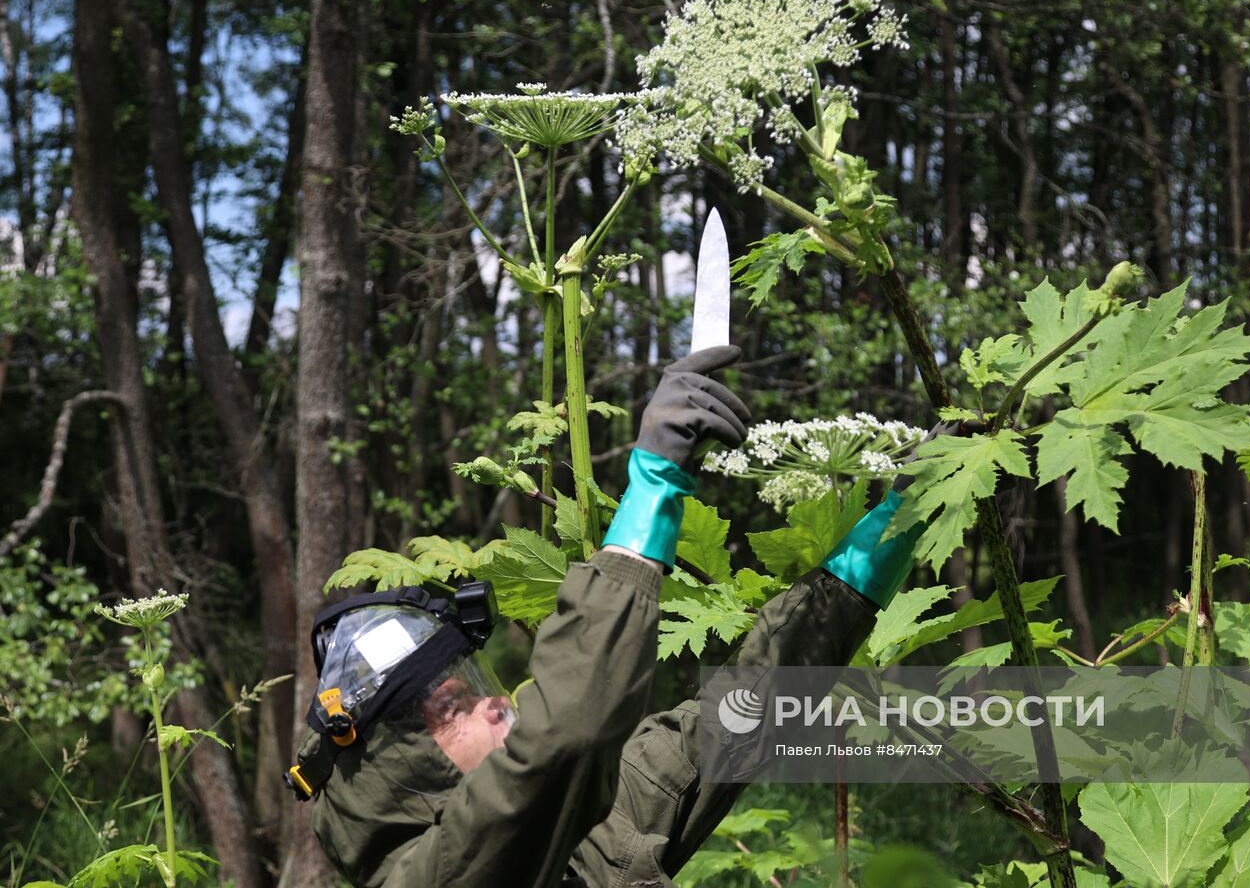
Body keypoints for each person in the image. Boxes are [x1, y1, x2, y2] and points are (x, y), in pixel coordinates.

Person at [291, 346, 927, 887]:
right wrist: (650, 490)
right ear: (400, 763)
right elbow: (563, 737)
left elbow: (742, 717)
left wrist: (904, 517)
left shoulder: (582, 827)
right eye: (449, 707)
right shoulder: (436, 875)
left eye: (474, 682)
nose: (492, 703)